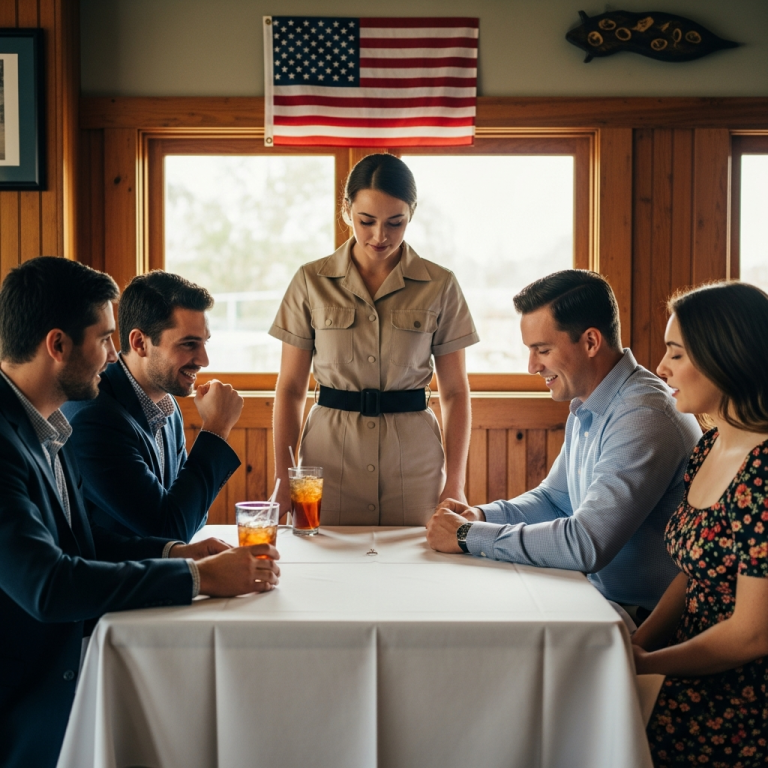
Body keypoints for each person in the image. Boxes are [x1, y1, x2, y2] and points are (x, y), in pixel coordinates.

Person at [0, 257, 280, 768]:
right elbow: (48, 585)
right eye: (105, 340)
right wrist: (195, 577)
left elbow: (83, 545)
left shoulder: (47, 425)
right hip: (24, 698)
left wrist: (177, 553)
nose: (111, 359)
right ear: (58, 345)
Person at [427, 270, 701, 615]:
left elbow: (587, 543)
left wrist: (469, 536)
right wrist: (479, 515)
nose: (531, 367)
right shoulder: (591, 399)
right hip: (598, 599)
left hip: (648, 621)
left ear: (590, 342)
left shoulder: (645, 415)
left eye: (542, 350)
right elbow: (555, 500)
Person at [269, 154, 479, 526]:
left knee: (418, 567)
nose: (380, 236)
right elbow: (289, 390)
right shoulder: (310, 281)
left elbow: (455, 393)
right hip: (328, 459)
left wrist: (456, 483)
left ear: (411, 213)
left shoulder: (440, 284)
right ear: (347, 210)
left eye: (395, 223)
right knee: (327, 566)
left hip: (415, 461)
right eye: (366, 221)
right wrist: (283, 479)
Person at [633, 282, 768, 767]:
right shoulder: (709, 447)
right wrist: (638, 642)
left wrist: (648, 665)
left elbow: (754, 633)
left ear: (726, 356)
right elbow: (693, 574)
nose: (661, 368)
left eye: (676, 353)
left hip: (742, 701)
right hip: (687, 665)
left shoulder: (764, 471)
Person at [63, 271, 242, 541]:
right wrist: (215, 430)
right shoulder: (94, 419)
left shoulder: (167, 404)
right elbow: (170, 528)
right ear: (139, 343)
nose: (204, 360)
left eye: (204, 343)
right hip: (117, 579)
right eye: (189, 344)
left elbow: (191, 512)